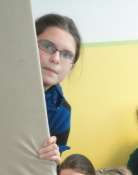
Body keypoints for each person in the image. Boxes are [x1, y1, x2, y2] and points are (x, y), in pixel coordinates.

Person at [35, 13, 82, 165]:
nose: (55, 58)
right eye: (47, 46)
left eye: (66, 55)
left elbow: (51, 174)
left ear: (71, 68)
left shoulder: (61, 112)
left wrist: (52, 160)